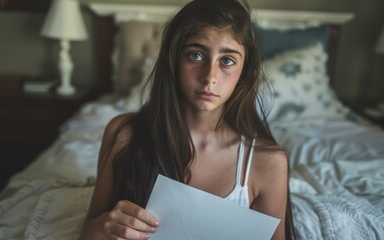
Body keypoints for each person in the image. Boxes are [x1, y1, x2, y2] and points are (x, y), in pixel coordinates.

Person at [81, 0, 295, 239]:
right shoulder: (124, 134)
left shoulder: (268, 163)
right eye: (195, 55)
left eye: (227, 61)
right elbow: (88, 232)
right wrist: (106, 226)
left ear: (244, 72)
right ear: (173, 60)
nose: (209, 77)